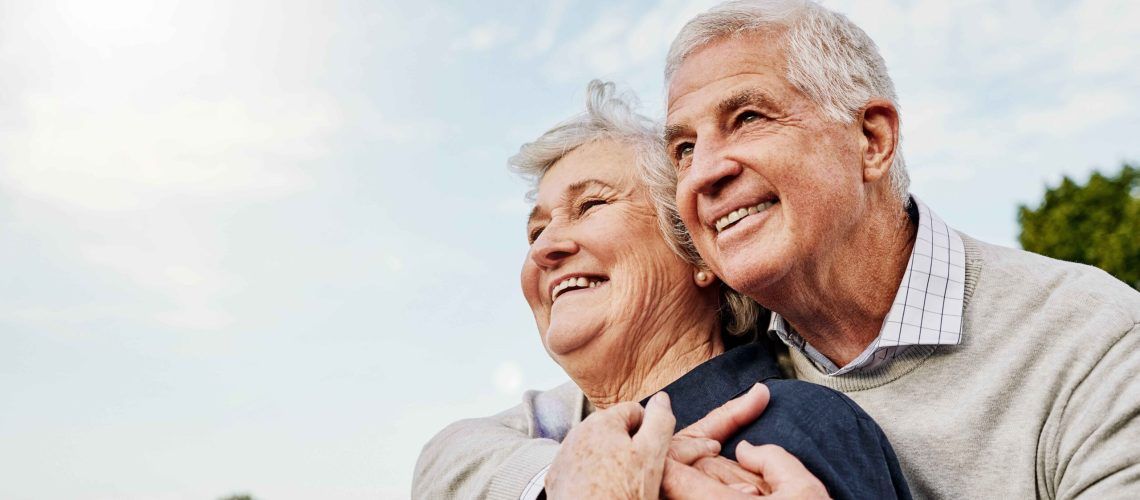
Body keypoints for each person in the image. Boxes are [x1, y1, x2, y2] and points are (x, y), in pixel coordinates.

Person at [413, 0, 1140, 498]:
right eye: (685, 147)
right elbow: (454, 455)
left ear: (872, 139)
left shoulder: (1094, 344)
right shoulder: (733, 359)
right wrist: (577, 478)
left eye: (749, 117)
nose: (706, 171)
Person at [412, 80, 910, 499]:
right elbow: (445, 456)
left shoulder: (788, 428)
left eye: (590, 206)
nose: (546, 249)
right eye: (536, 231)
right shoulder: (542, 436)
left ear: (698, 253)